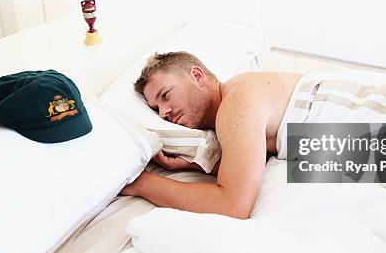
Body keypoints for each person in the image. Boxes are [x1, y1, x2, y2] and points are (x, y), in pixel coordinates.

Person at [119, 51, 302, 219]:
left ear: (197, 76)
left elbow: (233, 206)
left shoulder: (236, 103)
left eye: (166, 95)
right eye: (156, 109)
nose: (163, 112)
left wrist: (140, 182)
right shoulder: (239, 103)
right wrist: (201, 163)